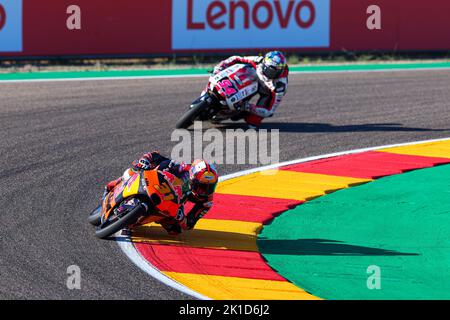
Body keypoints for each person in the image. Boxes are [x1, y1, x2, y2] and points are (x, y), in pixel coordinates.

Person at [104, 152, 218, 235]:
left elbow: (190, 224)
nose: (204, 191)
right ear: (193, 178)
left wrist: (181, 218)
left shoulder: (206, 202)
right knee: (131, 172)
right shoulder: (181, 167)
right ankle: (111, 186)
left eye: (210, 187)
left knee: (175, 230)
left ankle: (137, 219)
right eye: (202, 186)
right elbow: (155, 156)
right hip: (153, 183)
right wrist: (145, 161)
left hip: (172, 202)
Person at [212, 51, 289, 128]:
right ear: (264, 64)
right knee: (243, 67)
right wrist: (220, 67)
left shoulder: (280, 86)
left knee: (253, 122)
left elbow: (270, 111)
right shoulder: (259, 60)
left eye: (277, 71)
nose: (273, 74)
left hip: (266, 90)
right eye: (271, 70)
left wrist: (248, 107)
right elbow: (236, 58)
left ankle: (243, 112)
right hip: (252, 76)